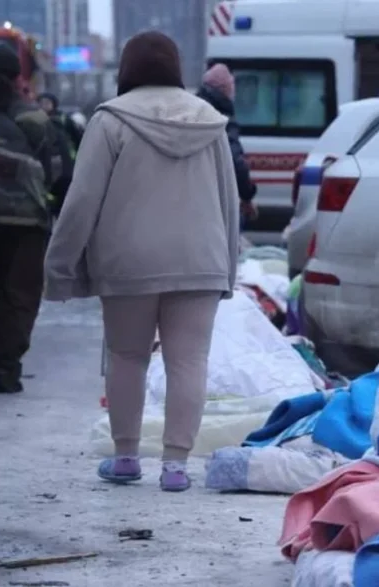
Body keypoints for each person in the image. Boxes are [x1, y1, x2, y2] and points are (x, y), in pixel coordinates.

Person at [43, 30, 240, 492]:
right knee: (189, 361)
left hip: (127, 263)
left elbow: (81, 200)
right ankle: (176, 466)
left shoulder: (110, 120)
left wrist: (59, 267)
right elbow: (228, 200)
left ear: (127, 68)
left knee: (127, 357)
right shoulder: (209, 121)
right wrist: (227, 269)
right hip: (200, 260)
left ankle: (126, 457)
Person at [0, 44, 56, 394]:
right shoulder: (36, 118)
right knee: (20, 294)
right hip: (28, 221)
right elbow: (57, 170)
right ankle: (7, 368)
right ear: (19, 76)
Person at [195, 63, 257, 224]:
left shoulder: (195, 110)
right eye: (231, 88)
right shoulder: (223, 119)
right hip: (215, 198)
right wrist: (247, 196)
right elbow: (236, 163)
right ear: (224, 89)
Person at [35, 92, 78, 214]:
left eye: (47, 103)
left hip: (66, 163)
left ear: (54, 104)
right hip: (46, 163)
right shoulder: (36, 120)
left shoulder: (64, 119)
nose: (44, 105)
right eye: (41, 103)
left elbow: (78, 137)